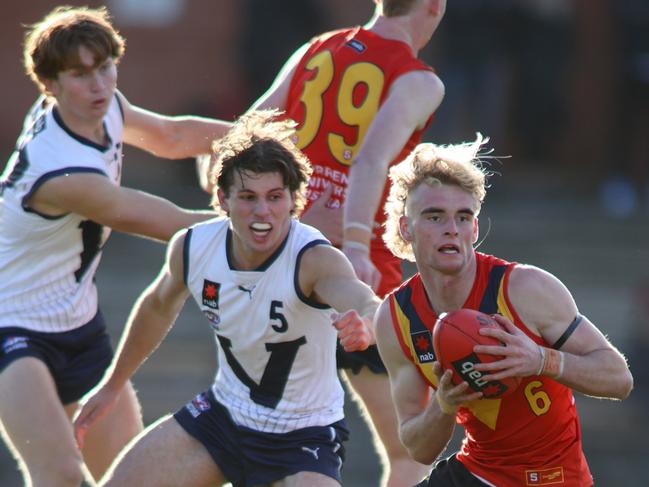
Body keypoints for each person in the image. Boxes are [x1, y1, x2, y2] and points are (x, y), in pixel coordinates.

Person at [198, 1, 447, 484]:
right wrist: (355, 243)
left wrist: (273, 211)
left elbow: (238, 141)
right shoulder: (420, 80)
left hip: (281, 264)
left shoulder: (317, 48)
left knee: (262, 439)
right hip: (353, 279)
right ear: (435, 6)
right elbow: (370, 158)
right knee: (408, 450)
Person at [73, 110, 381, 487]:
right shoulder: (193, 246)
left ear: (292, 201)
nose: (262, 212)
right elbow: (156, 306)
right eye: (248, 197)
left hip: (303, 438)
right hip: (224, 419)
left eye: (274, 196)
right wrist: (112, 385)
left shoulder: (313, 258)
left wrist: (365, 323)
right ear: (223, 198)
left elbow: (364, 301)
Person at [0, 6, 231, 487]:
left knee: (132, 477)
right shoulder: (59, 172)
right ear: (51, 85)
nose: (99, 85)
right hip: (12, 327)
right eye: (80, 75)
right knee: (60, 475)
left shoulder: (100, 108)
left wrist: (264, 138)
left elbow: (172, 135)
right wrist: (268, 222)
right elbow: (164, 221)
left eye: (105, 67)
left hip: (77, 324)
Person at [374, 137, 634, 486]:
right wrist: (444, 404)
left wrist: (542, 360)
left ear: (475, 229)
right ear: (406, 229)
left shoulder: (526, 288)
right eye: (435, 216)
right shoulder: (395, 319)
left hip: (554, 479)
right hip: (478, 473)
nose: (452, 227)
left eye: (463, 217)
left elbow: (619, 379)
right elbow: (418, 448)